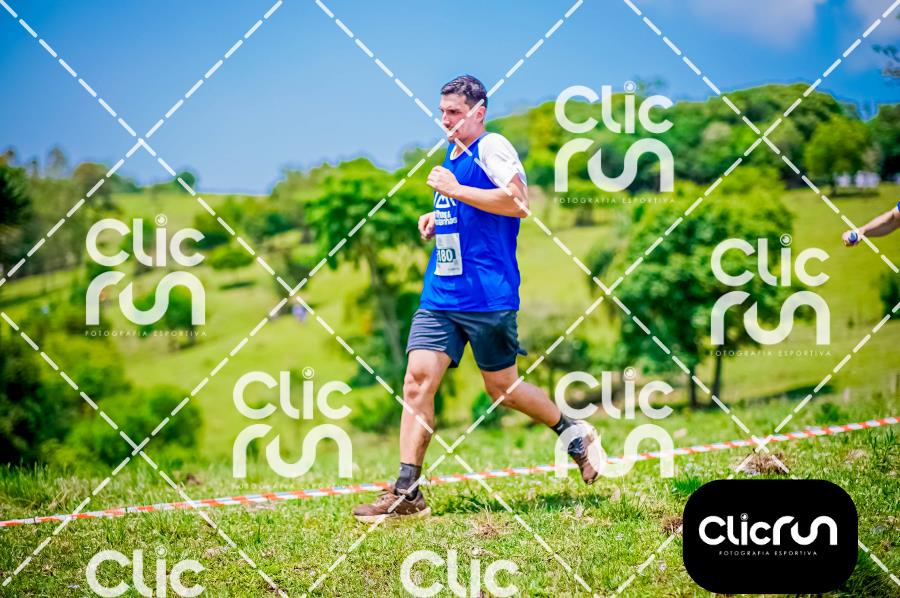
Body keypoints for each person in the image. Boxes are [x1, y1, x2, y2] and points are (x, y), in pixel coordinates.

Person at [353, 75, 599, 523]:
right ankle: (407, 492)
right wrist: (439, 216)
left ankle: (573, 433)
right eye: (442, 111)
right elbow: (471, 208)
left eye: (454, 112)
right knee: (416, 382)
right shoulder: (452, 155)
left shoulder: (492, 148)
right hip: (441, 294)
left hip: (488, 296)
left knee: (502, 389)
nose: (444, 119)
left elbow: (518, 203)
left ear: (478, 112)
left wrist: (455, 192)